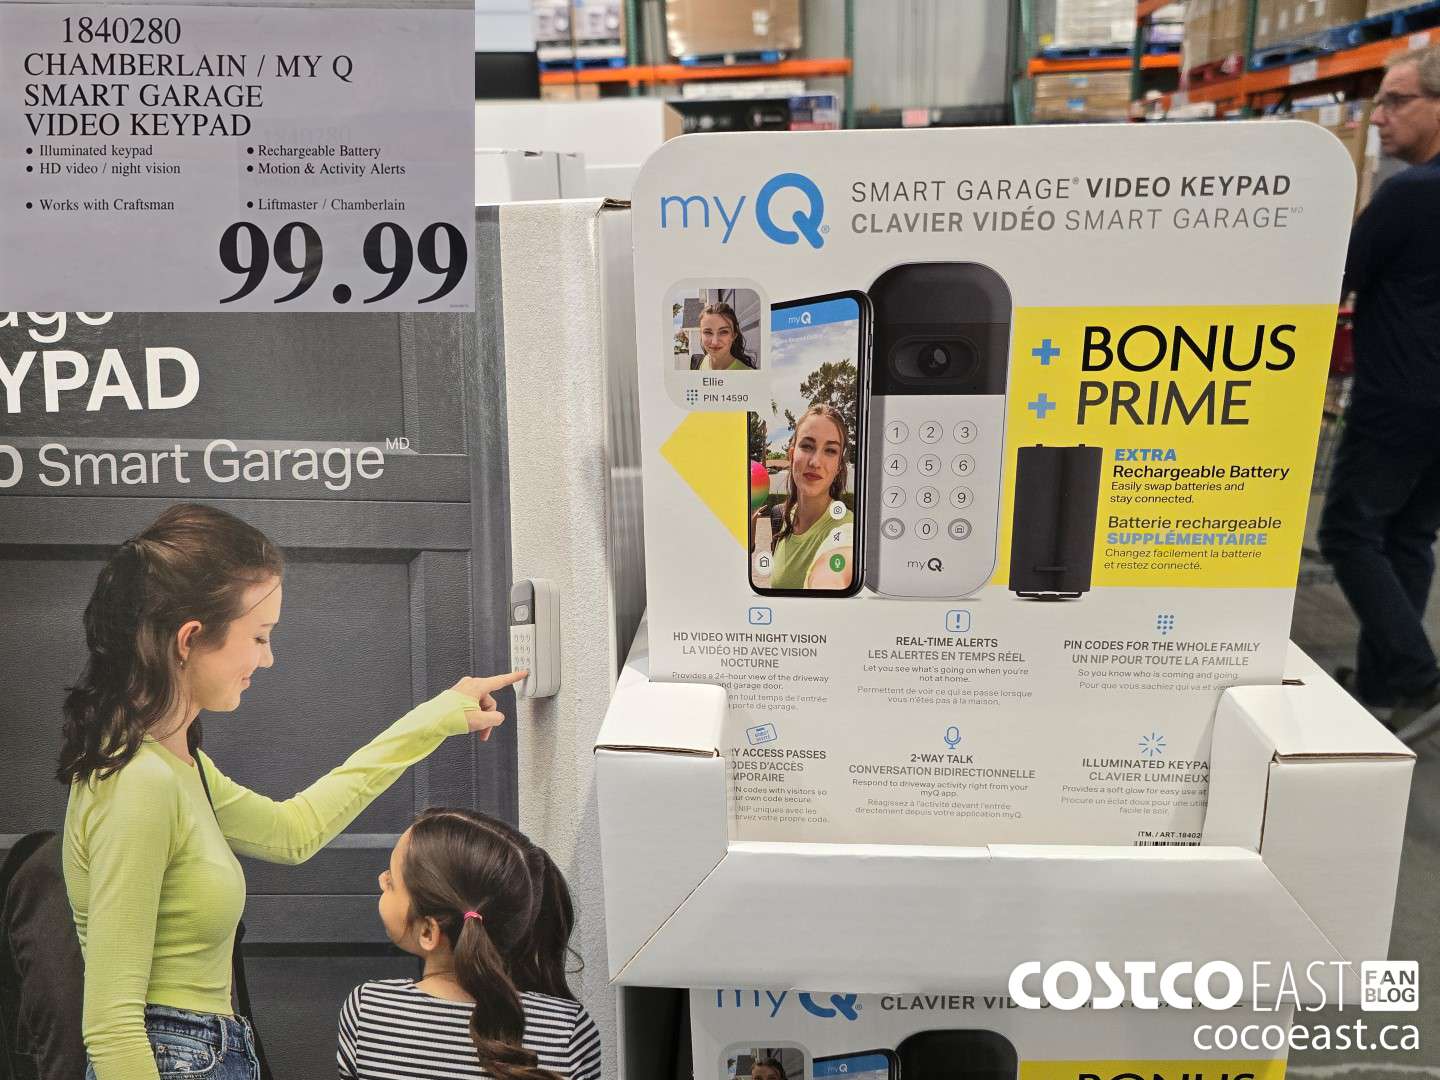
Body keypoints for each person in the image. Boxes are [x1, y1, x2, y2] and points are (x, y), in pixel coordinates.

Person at [58, 504, 524, 1080]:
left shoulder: (179, 766)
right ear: (190, 639)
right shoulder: (139, 781)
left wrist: (437, 717)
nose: (268, 657)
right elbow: (111, 1025)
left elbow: (293, 833)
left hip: (204, 1052)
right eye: (259, 636)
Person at [1317, 45, 1440, 734]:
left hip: (1399, 394)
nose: (1380, 117)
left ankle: (1419, 677)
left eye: (1397, 101)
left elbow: (1339, 273)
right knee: (1407, 536)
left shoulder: (1411, 193)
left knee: (1347, 532)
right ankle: (1385, 687)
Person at [337, 808, 602, 1080]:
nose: (381, 879)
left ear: (428, 931)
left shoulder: (369, 1011)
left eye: (391, 881)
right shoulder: (569, 1031)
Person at [757, 404, 854, 591]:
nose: (815, 462)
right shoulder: (781, 515)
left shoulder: (847, 529)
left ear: (838, 467)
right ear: (792, 455)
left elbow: (837, 568)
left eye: (830, 450)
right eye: (807, 446)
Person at [690, 303, 756, 371]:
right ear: (700, 334)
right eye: (708, 332)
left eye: (723, 332)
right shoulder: (695, 363)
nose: (715, 342)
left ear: (734, 335)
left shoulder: (750, 375)